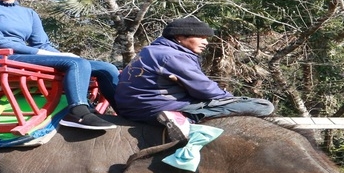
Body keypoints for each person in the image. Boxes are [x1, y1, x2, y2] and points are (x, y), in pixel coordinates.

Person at [0, 0, 117, 131]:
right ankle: (78, 111)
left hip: (19, 57)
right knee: (75, 64)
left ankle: (125, 110)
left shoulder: (29, 13)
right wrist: (63, 58)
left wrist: (64, 56)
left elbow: (41, 44)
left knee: (106, 67)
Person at [114, 16, 275, 141]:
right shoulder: (173, 56)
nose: (205, 42)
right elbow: (205, 90)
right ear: (179, 37)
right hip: (154, 109)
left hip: (134, 108)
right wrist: (232, 100)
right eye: (201, 37)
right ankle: (185, 118)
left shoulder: (151, 50)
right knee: (263, 106)